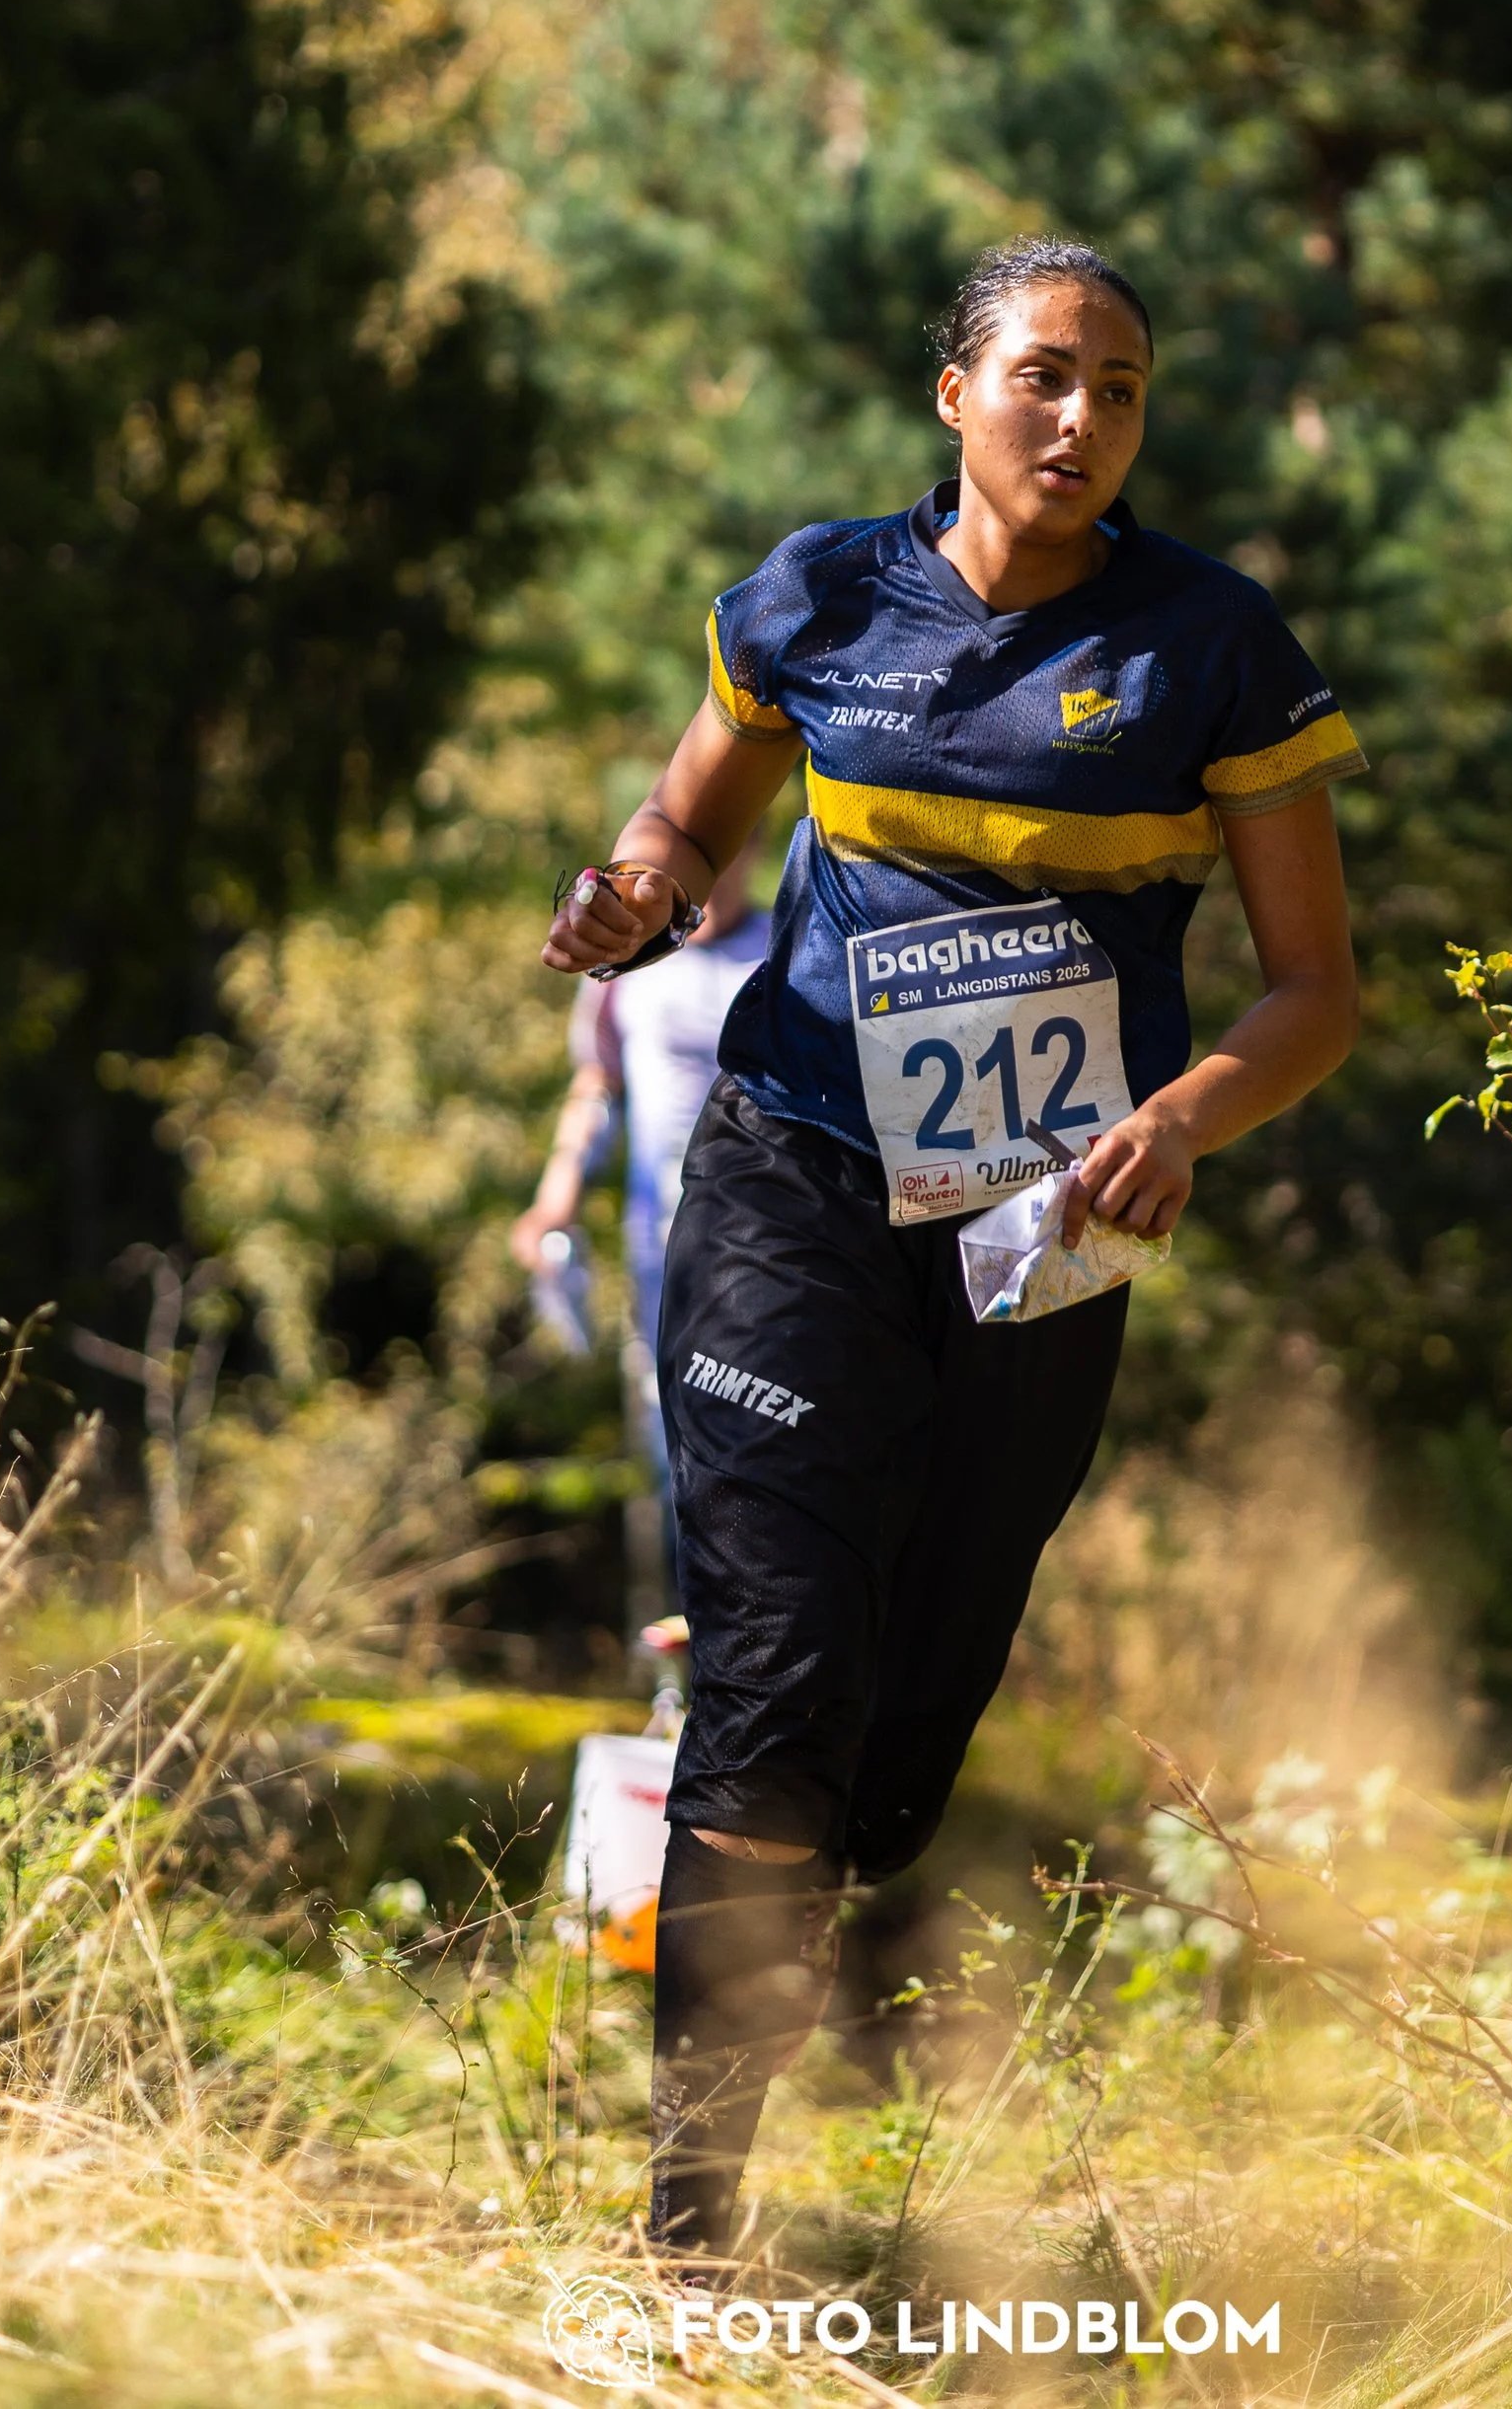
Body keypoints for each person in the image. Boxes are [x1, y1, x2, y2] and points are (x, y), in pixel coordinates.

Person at [537, 236, 1362, 2267]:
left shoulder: (1208, 647)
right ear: (955, 393)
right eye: (1045, 374)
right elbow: (684, 829)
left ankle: (800, 1906)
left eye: (1121, 388)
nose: (1080, 416)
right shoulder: (816, 590)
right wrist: (629, 890)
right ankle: (686, 2229)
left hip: (1034, 1227)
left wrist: (1174, 1119)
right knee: (781, 1680)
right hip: (793, 1177)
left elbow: (1316, 990)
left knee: (900, 1727)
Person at [512, 847, 772, 1622]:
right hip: (664, 1255)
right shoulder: (628, 958)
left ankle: (751, 1655)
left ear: (748, 846)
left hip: (773, 1247)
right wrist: (554, 1196)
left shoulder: (787, 943)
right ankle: (675, 1671)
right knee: (672, 1459)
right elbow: (599, 1083)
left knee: (762, 1459)